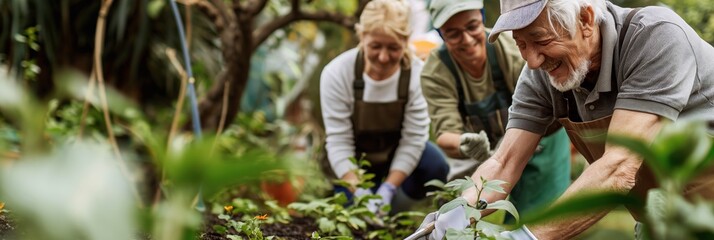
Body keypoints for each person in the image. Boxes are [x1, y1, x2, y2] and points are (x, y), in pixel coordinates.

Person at [418, 0, 714, 239]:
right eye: (521, 44)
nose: (532, 61)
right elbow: (504, 162)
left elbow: (618, 167)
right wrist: (453, 216)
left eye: (540, 39)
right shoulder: (540, 75)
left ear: (585, 19)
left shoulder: (655, 37)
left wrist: (526, 237)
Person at [420, 0, 572, 223]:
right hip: (487, 152)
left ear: (481, 19)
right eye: (453, 34)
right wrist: (464, 142)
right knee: (460, 213)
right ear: (441, 34)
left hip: (543, 140)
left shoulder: (511, 49)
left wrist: (511, 142)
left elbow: (549, 106)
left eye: (472, 27)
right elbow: (444, 134)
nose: (467, 40)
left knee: (534, 222)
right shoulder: (436, 72)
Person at [319, 0, 449, 215]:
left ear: (406, 41)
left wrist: (388, 190)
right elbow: (339, 141)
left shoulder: (418, 75)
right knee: (350, 213)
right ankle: (361, 206)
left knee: (435, 166)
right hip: (355, 160)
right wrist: (360, 191)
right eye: (375, 46)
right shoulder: (337, 73)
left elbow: (413, 139)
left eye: (394, 47)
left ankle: (395, 213)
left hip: (396, 156)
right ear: (362, 38)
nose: (383, 57)